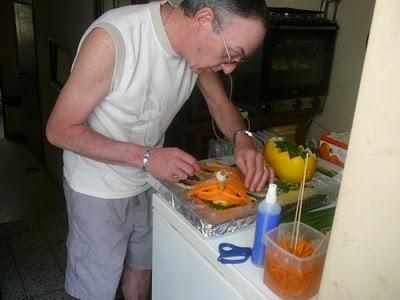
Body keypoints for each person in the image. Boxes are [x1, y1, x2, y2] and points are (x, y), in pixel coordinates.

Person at [46, 0, 273, 299]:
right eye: (232, 54)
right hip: (97, 187)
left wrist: (243, 137)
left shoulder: (197, 53)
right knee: (95, 289)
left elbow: (220, 104)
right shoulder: (114, 39)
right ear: (204, 19)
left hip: (150, 177)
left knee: (141, 270)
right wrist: (147, 157)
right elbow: (59, 129)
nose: (229, 68)